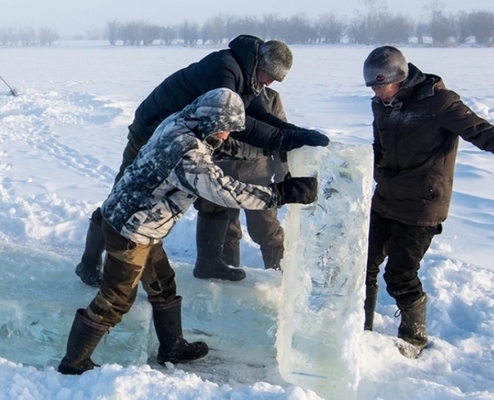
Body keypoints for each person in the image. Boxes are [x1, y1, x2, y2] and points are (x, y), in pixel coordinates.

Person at [57, 88, 318, 375]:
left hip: (140, 223)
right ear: (210, 121)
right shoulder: (185, 151)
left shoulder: (181, 121)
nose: (226, 136)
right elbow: (224, 190)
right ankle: (74, 361)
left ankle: (172, 347)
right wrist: (280, 194)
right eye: (224, 129)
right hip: (131, 230)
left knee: (162, 284)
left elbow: (226, 148)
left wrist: (278, 144)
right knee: (116, 299)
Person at [75, 35, 329, 287]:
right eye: (269, 76)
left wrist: (294, 133)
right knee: (122, 198)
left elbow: (257, 113)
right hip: (151, 134)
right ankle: (88, 263)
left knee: (212, 197)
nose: (270, 83)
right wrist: (282, 141)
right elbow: (237, 124)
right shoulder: (224, 70)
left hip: (191, 138)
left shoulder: (248, 76)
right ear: (259, 65)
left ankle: (209, 263)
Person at [360, 46, 494, 359]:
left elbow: (483, 133)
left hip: (421, 206)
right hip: (385, 197)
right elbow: (381, 148)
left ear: (400, 79)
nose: (377, 92)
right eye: (372, 86)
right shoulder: (381, 105)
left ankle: (413, 340)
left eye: (381, 85)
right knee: (364, 265)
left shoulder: (439, 102)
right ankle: (360, 329)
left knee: (399, 275)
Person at [216, 87, 289, 270]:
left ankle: (277, 275)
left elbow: (281, 138)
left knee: (268, 230)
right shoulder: (220, 92)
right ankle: (227, 276)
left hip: (258, 174)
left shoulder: (270, 97)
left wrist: (282, 176)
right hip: (222, 173)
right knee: (225, 230)